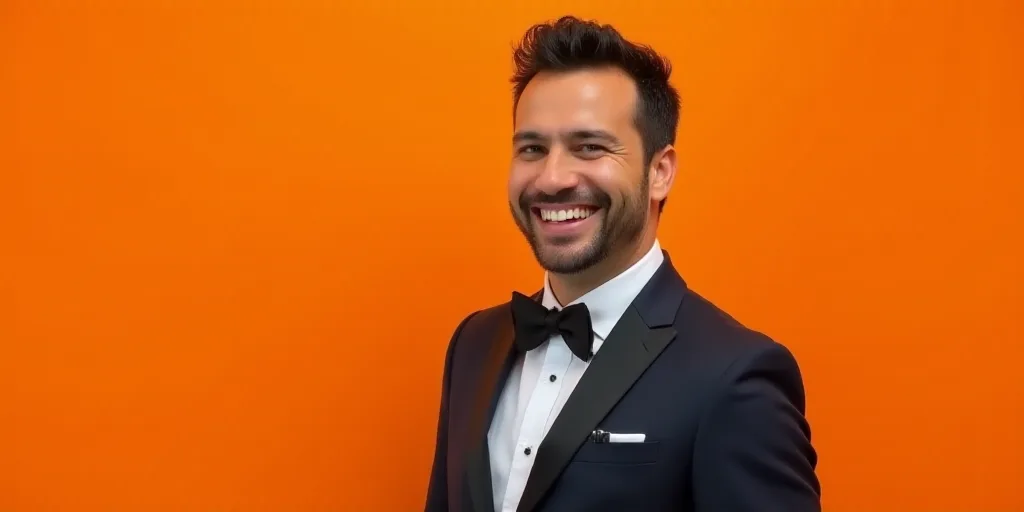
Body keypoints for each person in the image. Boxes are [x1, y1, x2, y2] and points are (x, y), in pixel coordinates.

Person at [424, 15, 821, 512]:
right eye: (532, 149)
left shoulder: (735, 375)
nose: (552, 178)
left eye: (589, 147)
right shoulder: (473, 344)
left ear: (660, 172)